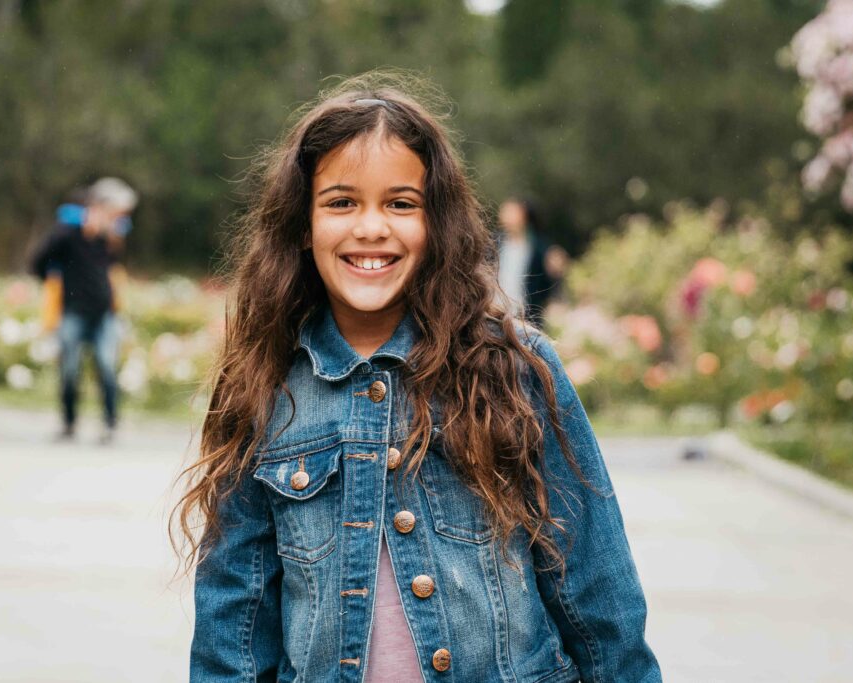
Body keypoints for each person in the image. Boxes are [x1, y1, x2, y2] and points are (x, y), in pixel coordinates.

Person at [180, 74, 661, 682]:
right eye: (341, 202)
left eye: (400, 204)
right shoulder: (263, 384)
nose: (371, 227)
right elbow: (234, 621)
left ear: (436, 222)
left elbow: (596, 591)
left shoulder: (514, 368)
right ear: (303, 224)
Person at [29, 177, 138, 444]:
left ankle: (110, 424)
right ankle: (69, 423)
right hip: (73, 312)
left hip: (104, 314)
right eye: (116, 213)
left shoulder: (110, 237)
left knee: (107, 366)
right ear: (100, 207)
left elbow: (110, 267)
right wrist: (55, 282)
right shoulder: (67, 232)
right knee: (69, 370)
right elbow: (38, 261)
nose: (120, 219)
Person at [496, 197, 568, 328]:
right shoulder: (494, 243)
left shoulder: (539, 248)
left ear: (524, 215)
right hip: (497, 314)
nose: (504, 215)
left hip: (527, 317)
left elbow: (550, 281)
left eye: (511, 211)